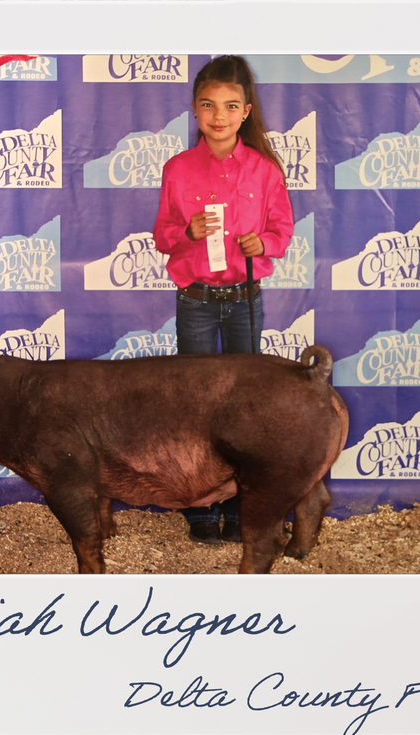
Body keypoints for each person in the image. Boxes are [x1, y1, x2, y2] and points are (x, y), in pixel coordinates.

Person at [153, 55, 294, 545]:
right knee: (192, 403)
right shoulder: (178, 169)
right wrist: (185, 232)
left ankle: (239, 505)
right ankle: (198, 505)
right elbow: (162, 234)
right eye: (209, 105)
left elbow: (282, 230)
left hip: (244, 300)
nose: (219, 115)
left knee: (243, 409)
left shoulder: (264, 171)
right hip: (195, 300)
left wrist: (264, 243)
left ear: (246, 112)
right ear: (194, 109)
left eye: (231, 106)